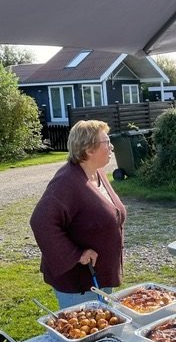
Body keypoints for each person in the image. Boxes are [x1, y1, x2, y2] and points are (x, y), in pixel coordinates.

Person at [30, 120, 126, 309]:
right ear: (89, 149)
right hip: (79, 284)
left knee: (105, 324)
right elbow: (41, 222)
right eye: (106, 142)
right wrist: (76, 254)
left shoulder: (96, 172)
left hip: (99, 277)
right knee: (85, 326)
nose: (111, 147)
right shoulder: (66, 181)